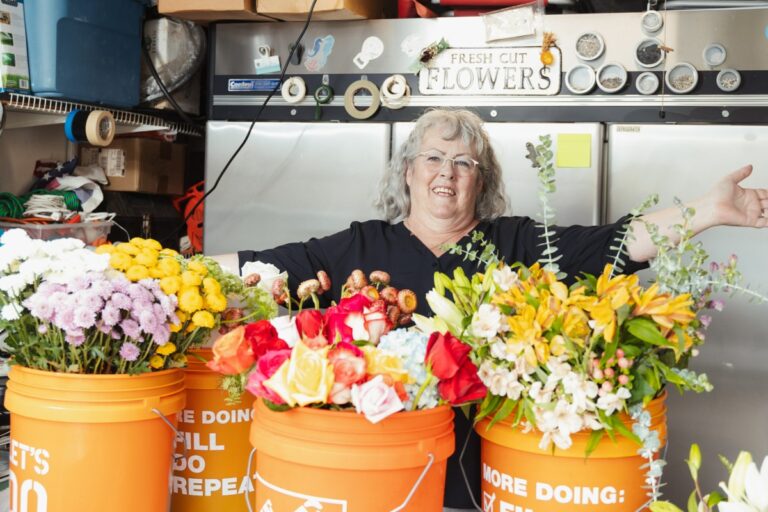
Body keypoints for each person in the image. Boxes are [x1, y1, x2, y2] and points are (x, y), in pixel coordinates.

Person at [214, 108, 768, 511]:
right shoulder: (358, 246)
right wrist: (154, 271)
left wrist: (709, 209)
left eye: (464, 162)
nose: (446, 172)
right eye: (432, 157)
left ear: (482, 184)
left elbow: (615, 245)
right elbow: (264, 267)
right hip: (378, 472)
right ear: (407, 171)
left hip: (493, 474)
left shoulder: (517, 242)